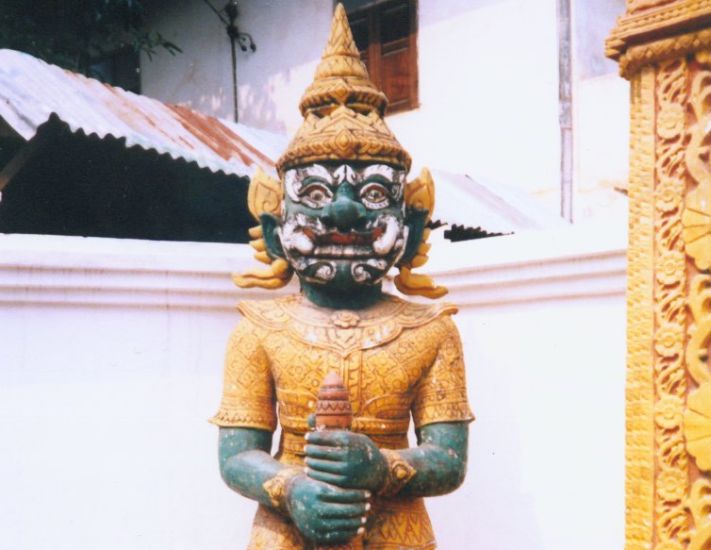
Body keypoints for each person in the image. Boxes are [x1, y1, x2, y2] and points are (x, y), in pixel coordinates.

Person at [210, 5, 474, 549]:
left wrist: (382, 468)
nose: (345, 215)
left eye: (376, 195)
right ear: (275, 227)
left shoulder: (432, 331)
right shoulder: (259, 328)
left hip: (396, 530)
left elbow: (449, 460)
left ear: (413, 221)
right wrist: (292, 489)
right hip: (289, 526)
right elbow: (237, 455)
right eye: (315, 196)